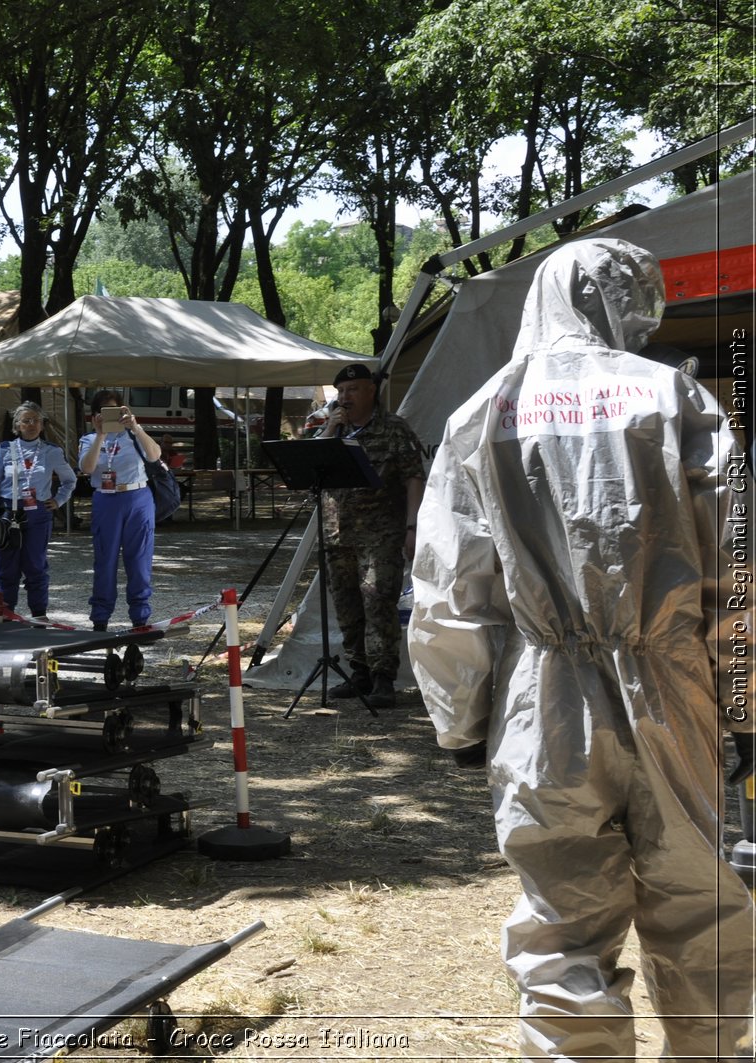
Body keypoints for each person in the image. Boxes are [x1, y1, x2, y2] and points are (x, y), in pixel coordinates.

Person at [408, 238, 755, 1061]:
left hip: (543, 698)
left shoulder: (485, 409)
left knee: (561, 916)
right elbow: (737, 567)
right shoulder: (675, 399)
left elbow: (449, 584)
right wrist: (746, 702)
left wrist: (459, 716)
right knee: (699, 901)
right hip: (678, 689)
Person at [317, 363, 424, 708]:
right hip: (338, 533)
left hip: (382, 533)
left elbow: (413, 479)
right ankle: (358, 672)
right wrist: (329, 432)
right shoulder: (334, 430)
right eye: (341, 392)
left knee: (378, 601)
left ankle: (383, 679)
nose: (345, 398)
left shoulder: (394, 430)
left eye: (353, 390)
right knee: (347, 606)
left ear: (371, 391)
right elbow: (313, 470)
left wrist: (412, 527)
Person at [78, 389, 160, 631]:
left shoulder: (133, 436)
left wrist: (135, 427)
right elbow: (87, 468)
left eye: (115, 411)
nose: (110, 418)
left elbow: (155, 456)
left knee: (139, 559)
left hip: (137, 497)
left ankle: (140, 616)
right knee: (105, 559)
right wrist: (100, 436)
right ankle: (101, 617)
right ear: (95, 416)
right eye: (103, 413)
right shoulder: (89, 440)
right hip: (106, 499)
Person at [0, 401, 75, 621]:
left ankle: (39, 614)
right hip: (9, 512)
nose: (31, 425)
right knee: (7, 566)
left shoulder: (51, 451)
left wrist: (58, 501)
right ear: (16, 425)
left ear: (42, 425)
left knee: (35, 565)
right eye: (26, 421)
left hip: (37, 513)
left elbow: (69, 480)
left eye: (36, 420)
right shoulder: (4, 449)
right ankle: (6, 614)